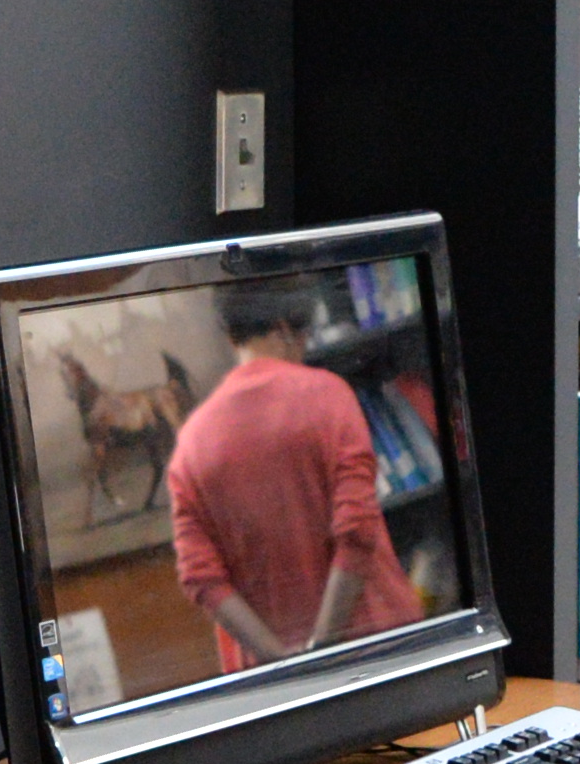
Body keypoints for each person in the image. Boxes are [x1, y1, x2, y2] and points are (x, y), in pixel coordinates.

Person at [162, 284, 419, 673]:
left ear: (232, 336)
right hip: (377, 652)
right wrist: (322, 647)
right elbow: (358, 532)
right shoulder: (328, 395)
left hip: (271, 687)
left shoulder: (191, 444)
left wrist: (283, 663)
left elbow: (201, 578)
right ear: (284, 329)